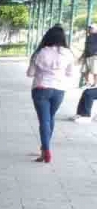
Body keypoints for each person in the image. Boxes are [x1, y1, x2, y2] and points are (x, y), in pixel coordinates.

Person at [27, 25, 76, 163]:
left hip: (41, 88)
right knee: (50, 117)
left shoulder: (40, 53)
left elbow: (30, 73)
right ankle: (45, 147)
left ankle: (46, 150)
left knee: (44, 120)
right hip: (59, 90)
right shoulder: (68, 53)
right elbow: (70, 73)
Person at [72, 23, 97, 123]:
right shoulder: (89, 38)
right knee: (87, 92)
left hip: (93, 57)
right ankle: (80, 114)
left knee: (89, 93)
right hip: (89, 56)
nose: (90, 29)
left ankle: (85, 116)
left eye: (92, 28)